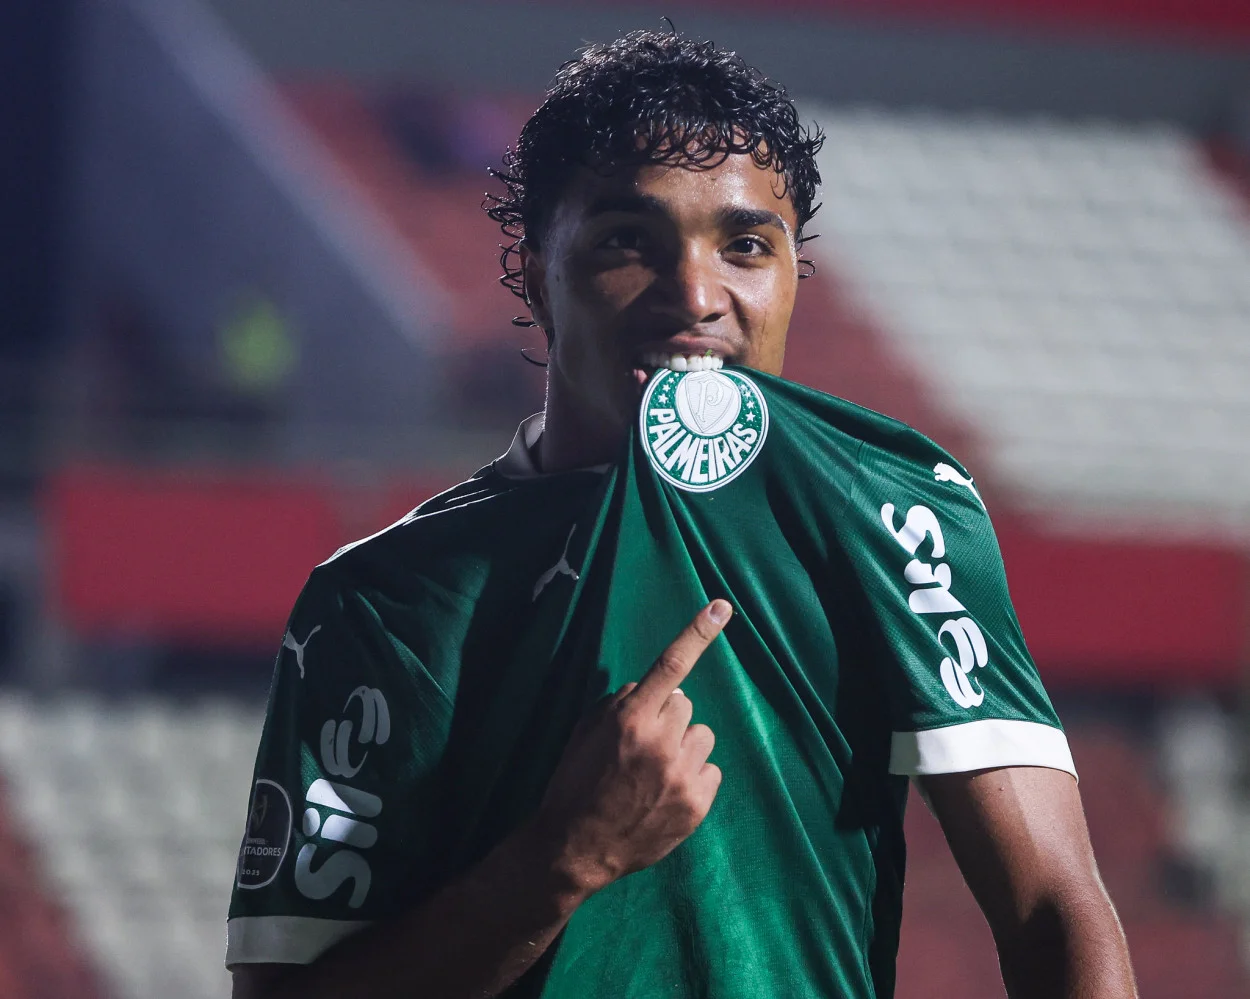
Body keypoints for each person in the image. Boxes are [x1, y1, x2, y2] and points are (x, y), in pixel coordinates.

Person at [228, 30, 1137, 999]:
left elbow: (1053, 908)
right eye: (629, 241)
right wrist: (551, 867)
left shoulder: (894, 508)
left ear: (792, 276)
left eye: (745, 246)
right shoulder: (380, 599)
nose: (696, 295)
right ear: (537, 277)